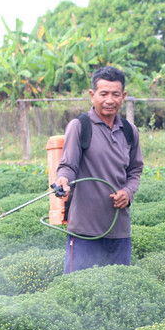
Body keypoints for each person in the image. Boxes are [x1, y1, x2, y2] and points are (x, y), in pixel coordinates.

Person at [55, 66, 143, 273]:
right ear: (92, 95)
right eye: (103, 94)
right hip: (85, 231)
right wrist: (62, 181)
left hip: (119, 230)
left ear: (124, 97)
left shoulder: (130, 131)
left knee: (118, 291)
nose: (109, 100)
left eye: (115, 94)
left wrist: (128, 193)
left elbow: (135, 171)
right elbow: (67, 166)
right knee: (77, 291)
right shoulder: (80, 126)